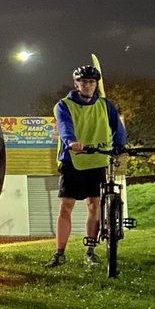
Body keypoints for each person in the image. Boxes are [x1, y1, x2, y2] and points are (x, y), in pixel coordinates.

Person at [47, 64, 127, 267]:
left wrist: (119, 145)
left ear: (96, 85)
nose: (88, 85)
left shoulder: (105, 105)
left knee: (94, 205)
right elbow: (65, 126)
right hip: (73, 159)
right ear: (77, 84)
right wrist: (71, 142)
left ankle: (90, 251)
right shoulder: (63, 105)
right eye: (84, 82)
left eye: (92, 82)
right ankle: (59, 253)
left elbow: (118, 127)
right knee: (66, 206)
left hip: (98, 160)